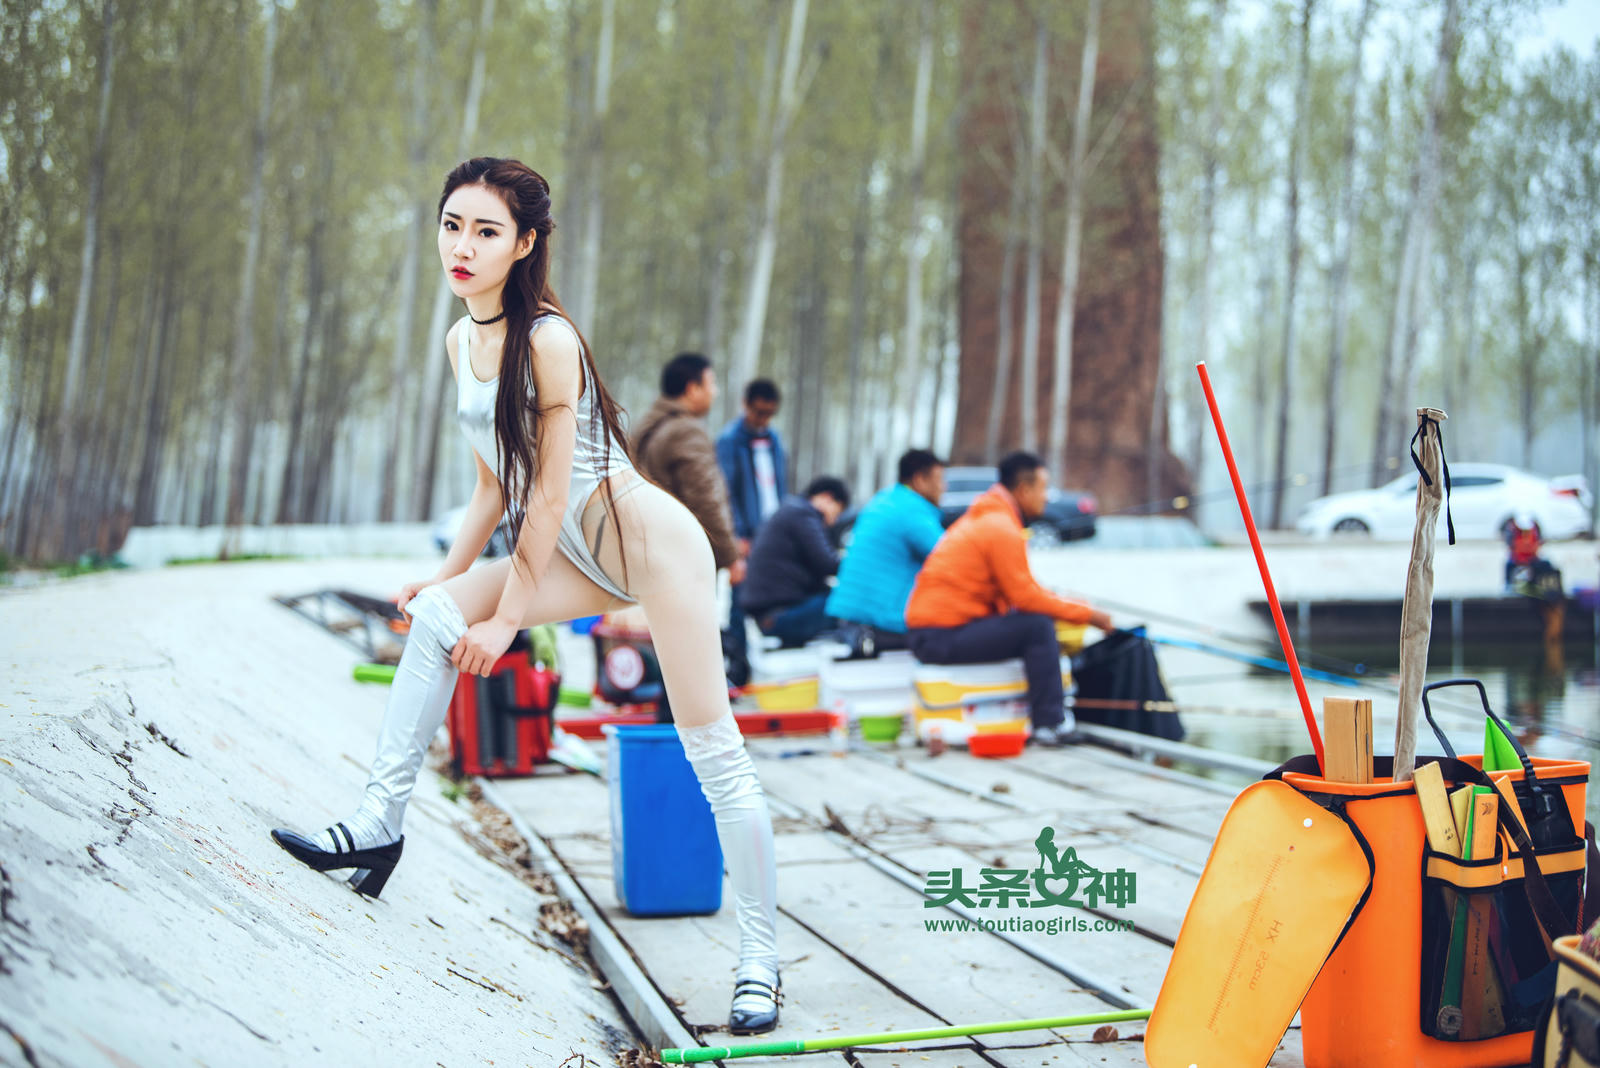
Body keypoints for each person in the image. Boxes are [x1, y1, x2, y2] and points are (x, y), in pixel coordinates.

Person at [269, 159, 781, 1034]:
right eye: (452, 225)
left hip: (653, 550)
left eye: (486, 231)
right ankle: (377, 825)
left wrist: (508, 617)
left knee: (713, 751)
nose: (462, 246)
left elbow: (545, 493)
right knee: (436, 617)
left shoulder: (548, 340)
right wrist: (448, 578)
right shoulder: (459, 341)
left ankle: (761, 962)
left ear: (525, 243)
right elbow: (491, 484)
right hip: (575, 553)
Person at [904, 451, 1111, 747]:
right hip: (938, 635)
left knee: (1032, 622)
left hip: (933, 632)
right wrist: (1089, 615)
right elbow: (1025, 598)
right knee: (1037, 627)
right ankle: (1050, 724)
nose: (1046, 497)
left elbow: (1022, 590)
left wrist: (1069, 605)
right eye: (1043, 488)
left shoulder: (991, 518)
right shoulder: (1000, 527)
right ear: (1024, 490)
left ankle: (1044, 717)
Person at [631, 352, 744, 720]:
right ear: (692, 388)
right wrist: (730, 555)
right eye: (711, 384)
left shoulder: (645, 429)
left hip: (652, 557)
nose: (714, 392)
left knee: (670, 654)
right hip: (685, 560)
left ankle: (670, 728)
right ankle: (689, 737)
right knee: (692, 657)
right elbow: (706, 498)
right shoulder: (685, 431)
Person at [824, 449, 947, 652]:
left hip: (850, 619)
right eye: (939, 480)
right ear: (920, 480)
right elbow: (953, 558)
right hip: (880, 624)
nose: (944, 487)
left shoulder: (883, 501)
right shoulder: (912, 510)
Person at [716, 380, 787, 684]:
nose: (763, 419)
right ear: (746, 405)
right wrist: (737, 534)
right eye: (759, 412)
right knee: (740, 600)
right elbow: (726, 491)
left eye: (769, 414)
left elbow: (780, 485)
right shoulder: (729, 440)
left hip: (773, 531)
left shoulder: (774, 439)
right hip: (746, 535)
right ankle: (738, 668)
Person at [740, 476, 850, 648]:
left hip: (771, 614)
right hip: (780, 615)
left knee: (834, 597)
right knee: (847, 601)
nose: (834, 521)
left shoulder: (791, 510)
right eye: (837, 512)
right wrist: (859, 565)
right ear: (827, 497)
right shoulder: (803, 514)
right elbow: (828, 563)